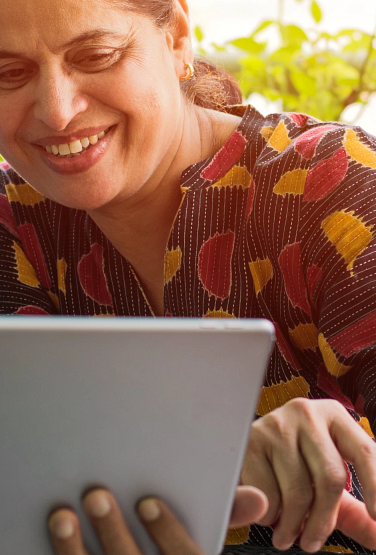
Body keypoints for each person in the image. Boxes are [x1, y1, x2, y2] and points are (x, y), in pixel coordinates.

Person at [1, 0, 376, 553]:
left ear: (177, 39)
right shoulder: (14, 224)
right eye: (9, 73)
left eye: (97, 55)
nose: (58, 111)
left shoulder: (331, 182)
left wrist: (327, 456)